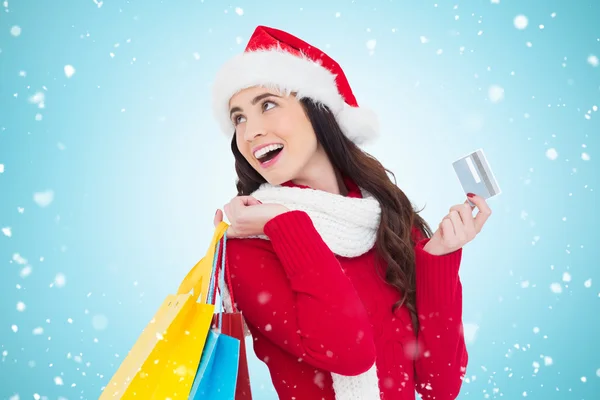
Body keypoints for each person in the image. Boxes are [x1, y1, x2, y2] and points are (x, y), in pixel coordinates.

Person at [210, 25, 492, 400]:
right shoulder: (251, 245)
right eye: (239, 118)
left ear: (317, 110)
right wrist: (285, 224)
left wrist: (438, 259)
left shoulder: (386, 220)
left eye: (268, 104)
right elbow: (348, 353)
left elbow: (438, 386)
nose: (249, 132)